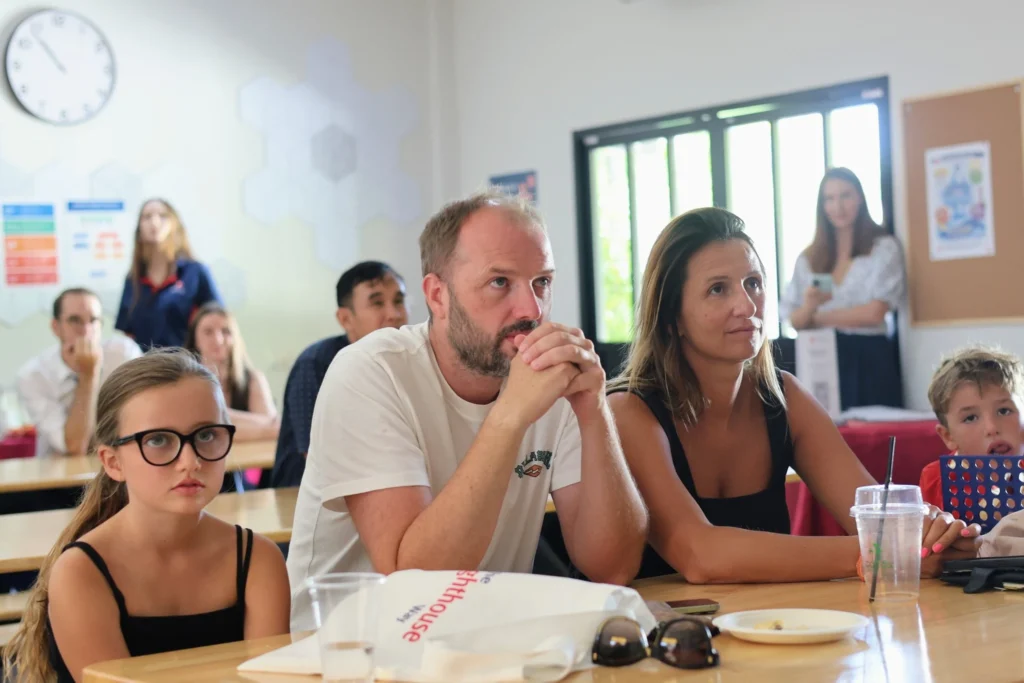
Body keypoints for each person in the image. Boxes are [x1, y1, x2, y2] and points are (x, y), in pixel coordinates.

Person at [285, 191, 647, 629]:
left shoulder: (550, 377)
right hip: (349, 648)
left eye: (542, 282)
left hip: (486, 641)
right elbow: (413, 582)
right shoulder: (370, 371)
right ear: (438, 296)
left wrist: (594, 412)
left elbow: (612, 568)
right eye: (500, 282)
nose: (532, 309)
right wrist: (510, 416)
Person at [607, 207, 977, 583]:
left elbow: (873, 514)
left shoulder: (784, 396)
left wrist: (928, 531)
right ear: (672, 317)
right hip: (658, 620)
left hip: (772, 616)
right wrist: (882, 550)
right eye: (718, 289)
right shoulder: (628, 410)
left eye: (753, 283)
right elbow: (700, 555)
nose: (747, 305)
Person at [1, 350, 290, 683]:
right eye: (158, 440)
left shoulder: (258, 560)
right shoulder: (81, 573)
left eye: (206, 435)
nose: (190, 461)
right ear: (113, 462)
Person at [269, 261, 408, 488]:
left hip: (384, 485)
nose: (394, 314)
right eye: (377, 303)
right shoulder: (315, 364)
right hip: (305, 494)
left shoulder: (408, 360)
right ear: (345, 319)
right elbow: (318, 458)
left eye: (399, 301)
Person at [779, 167, 906, 409]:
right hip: (819, 357)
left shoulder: (883, 248)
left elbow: (875, 313)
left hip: (868, 358)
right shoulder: (808, 257)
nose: (838, 206)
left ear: (860, 198)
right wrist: (810, 306)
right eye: (830, 198)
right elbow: (795, 320)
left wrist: (816, 318)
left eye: (845, 195)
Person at [16, 288, 141, 456]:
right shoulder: (33, 376)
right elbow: (75, 446)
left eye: (94, 320)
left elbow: (141, 424)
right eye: (75, 320)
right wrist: (88, 374)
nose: (86, 330)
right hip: (59, 470)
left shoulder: (124, 354)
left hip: (117, 460)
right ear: (56, 327)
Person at [919, 346, 1024, 509]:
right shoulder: (937, 480)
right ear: (948, 436)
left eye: (1004, 411)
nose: (991, 428)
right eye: (970, 418)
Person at [115, 199, 222, 350]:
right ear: (139, 228)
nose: (154, 222)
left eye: (162, 215)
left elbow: (218, 321)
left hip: (186, 361)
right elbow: (128, 334)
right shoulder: (133, 279)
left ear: (175, 225)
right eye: (147, 216)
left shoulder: (195, 272)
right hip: (146, 363)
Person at [186, 303, 279, 442]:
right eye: (208, 332)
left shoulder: (253, 378)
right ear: (195, 340)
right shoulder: (186, 382)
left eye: (226, 331)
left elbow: (275, 427)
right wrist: (256, 426)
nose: (218, 340)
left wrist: (219, 417)